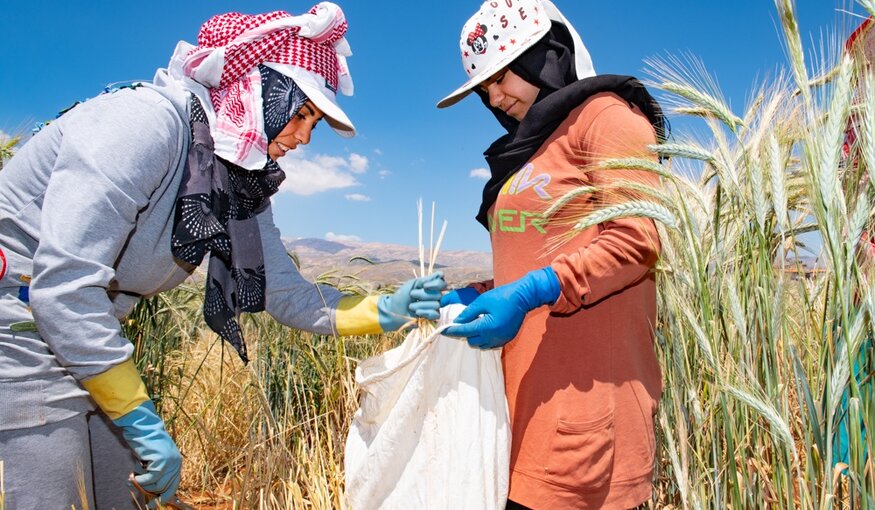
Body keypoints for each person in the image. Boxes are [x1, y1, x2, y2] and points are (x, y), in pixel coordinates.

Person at [0, 4, 445, 508]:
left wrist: (386, 310)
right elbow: (62, 286)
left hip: (87, 338)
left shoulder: (234, 177)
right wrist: (140, 420)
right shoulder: (144, 124)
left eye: (314, 124)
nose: (303, 138)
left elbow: (287, 293)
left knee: (121, 497)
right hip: (21, 334)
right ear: (252, 86)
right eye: (301, 113)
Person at [437, 0, 665, 508]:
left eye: (501, 76)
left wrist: (535, 290)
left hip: (585, 417)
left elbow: (636, 240)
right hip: (522, 412)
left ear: (545, 54)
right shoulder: (530, 149)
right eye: (483, 89)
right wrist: (485, 292)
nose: (494, 97)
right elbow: (543, 256)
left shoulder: (607, 119)